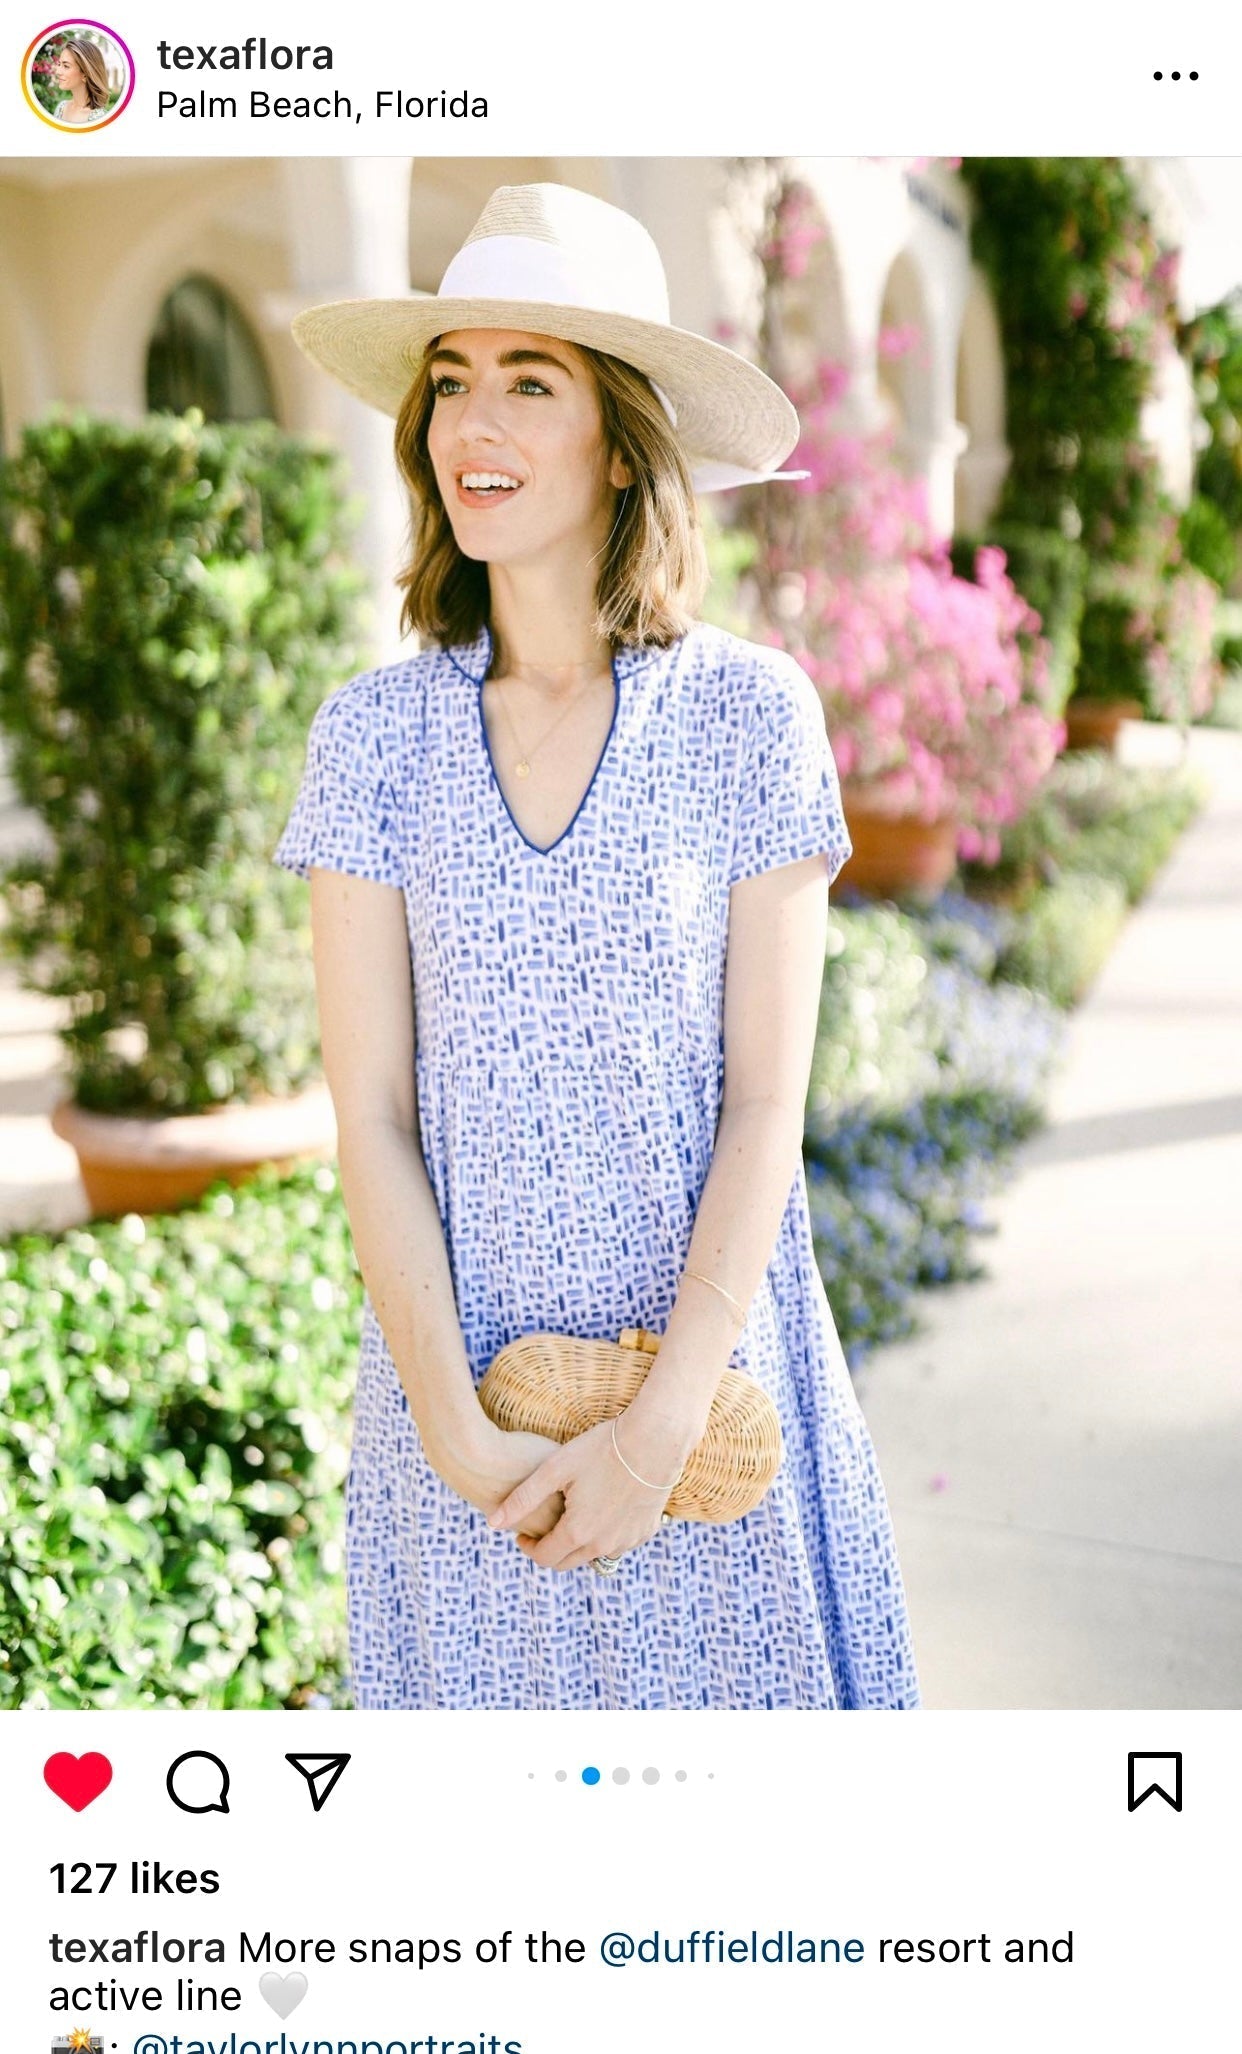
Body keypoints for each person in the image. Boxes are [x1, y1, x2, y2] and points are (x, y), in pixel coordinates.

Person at [273, 181, 921, 1711]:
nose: (468, 424)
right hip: (463, 1427)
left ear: (622, 439)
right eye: (449, 382)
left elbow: (767, 1102)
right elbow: (366, 1110)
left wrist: (655, 1434)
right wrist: (454, 1426)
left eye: (529, 381)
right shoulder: (371, 740)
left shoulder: (749, 717)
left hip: (710, 1399)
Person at [50, 37, 112, 123]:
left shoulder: (99, 118)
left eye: (66, 66)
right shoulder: (61, 108)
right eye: (59, 64)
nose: (58, 71)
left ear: (85, 75)